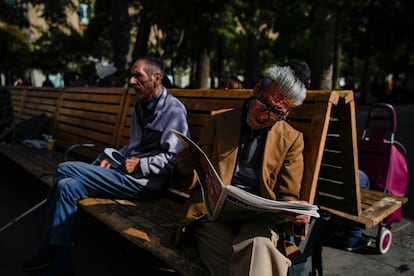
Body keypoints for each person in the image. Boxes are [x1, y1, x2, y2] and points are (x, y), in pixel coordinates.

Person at [22, 56, 190, 275]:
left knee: (64, 169)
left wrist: (142, 163)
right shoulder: (140, 106)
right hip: (124, 175)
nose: (131, 81)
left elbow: (175, 157)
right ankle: (60, 262)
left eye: (137, 75)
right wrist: (113, 158)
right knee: (66, 186)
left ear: (156, 77)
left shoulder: (173, 111)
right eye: (131, 75)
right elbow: (133, 145)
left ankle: (49, 251)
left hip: (144, 184)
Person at [174, 65, 310, 276]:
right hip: (215, 217)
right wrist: (184, 169)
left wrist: (294, 212)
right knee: (257, 257)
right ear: (256, 89)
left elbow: (287, 196)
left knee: (259, 245)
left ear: (288, 112)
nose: (266, 116)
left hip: (259, 221)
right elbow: (198, 179)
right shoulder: (219, 122)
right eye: (265, 104)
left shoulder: (291, 139)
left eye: (277, 113)